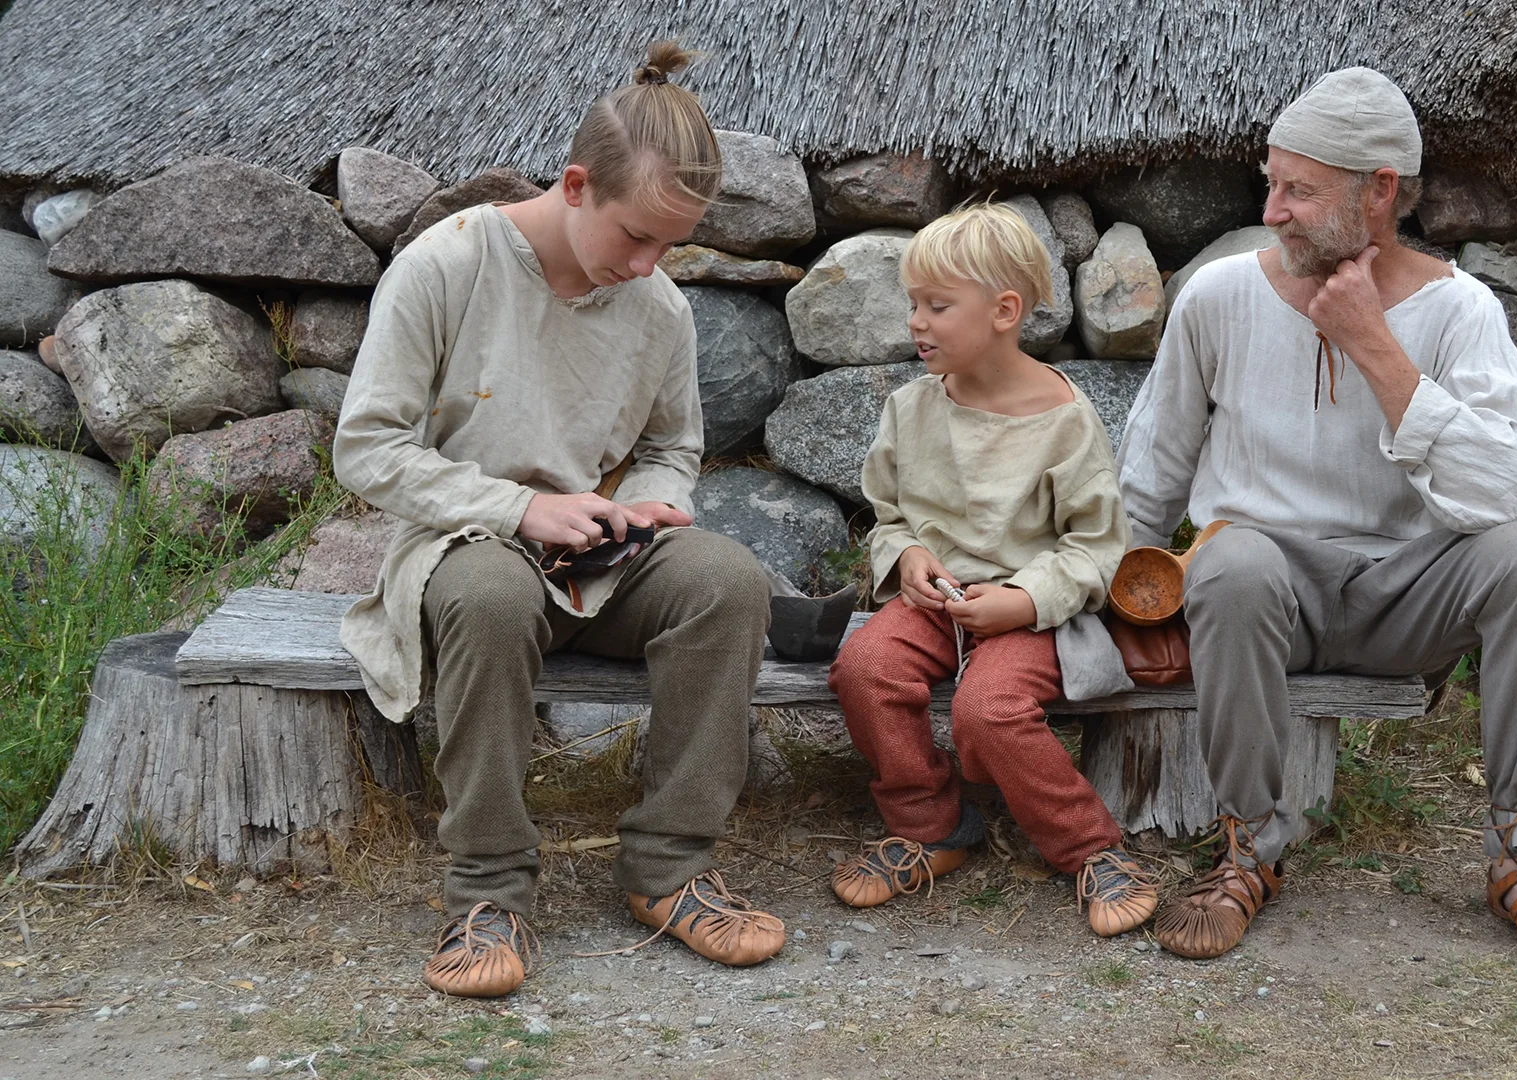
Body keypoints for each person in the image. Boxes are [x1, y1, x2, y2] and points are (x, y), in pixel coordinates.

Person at [1118, 67, 1517, 969]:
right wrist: (1117, 580)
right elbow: (1153, 467)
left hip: (1405, 594)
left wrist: (1375, 348)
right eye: (1271, 183)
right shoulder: (1219, 297)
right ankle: (1250, 853)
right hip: (1262, 586)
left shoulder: (1462, 310)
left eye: (1299, 190)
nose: (1273, 210)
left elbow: (1494, 493)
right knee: (1229, 564)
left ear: (1379, 190)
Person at [333, 41, 785, 999]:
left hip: (597, 553)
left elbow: (674, 447)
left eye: (673, 244)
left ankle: (668, 867)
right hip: (463, 544)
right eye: (636, 236)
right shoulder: (446, 265)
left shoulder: (658, 306)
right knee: (494, 595)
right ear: (576, 185)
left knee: (729, 583)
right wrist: (519, 507)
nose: (650, 264)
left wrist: (644, 507)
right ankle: (488, 888)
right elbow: (366, 449)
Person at [826, 203, 1158, 937]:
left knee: (989, 708)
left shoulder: (1064, 421)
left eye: (938, 306)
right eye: (912, 304)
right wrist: (907, 556)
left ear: (1005, 310)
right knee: (865, 667)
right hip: (934, 605)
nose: (917, 322)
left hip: (1029, 614)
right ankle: (931, 826)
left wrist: (1022, 598)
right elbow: (890, 517)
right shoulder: (912, 410)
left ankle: (1089, 848)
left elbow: (1098, 548)